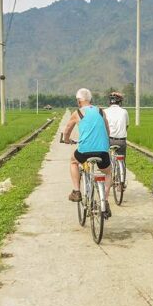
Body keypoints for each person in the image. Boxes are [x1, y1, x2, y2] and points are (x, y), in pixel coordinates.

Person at [62, 88, 113, 218]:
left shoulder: (77, 113)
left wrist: (66, 140)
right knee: (108, 172)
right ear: (90, 100)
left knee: (73, 161)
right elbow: (107, 129)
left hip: (84, 152)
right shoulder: (100, 111)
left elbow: (67, 130)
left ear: (79, 101)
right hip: (102, 151)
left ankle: (76, 191)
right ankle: (105, 201)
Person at [103, 91, 130, 155]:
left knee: (107, 160)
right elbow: (127, 126)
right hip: (121, 141)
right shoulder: (124, 111)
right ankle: (121, 164)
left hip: (109, 140)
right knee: (122, 158)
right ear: (119, 102)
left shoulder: (104, 111)